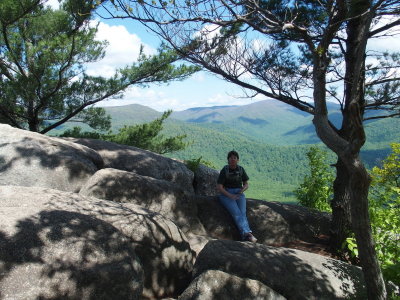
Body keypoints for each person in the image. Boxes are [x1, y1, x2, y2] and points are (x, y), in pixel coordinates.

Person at [216, 150, 257, 243]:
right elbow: (219, 186)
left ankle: (245, 236)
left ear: (238, 160)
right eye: (231, 158)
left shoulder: (241, 169)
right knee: (237, 213)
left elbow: (246, 184)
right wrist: (229, 195)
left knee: (242, 213)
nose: (233, 159)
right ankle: (248, 234)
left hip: (239, 192)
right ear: (228, 160)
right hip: (226, 194)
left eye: (235, 158)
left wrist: (241, 191)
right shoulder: (225, 170)